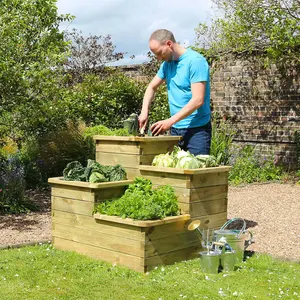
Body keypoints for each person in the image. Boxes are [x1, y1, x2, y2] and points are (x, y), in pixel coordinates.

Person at [138, 29, 211, 155]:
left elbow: (198, 100)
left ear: (169, 44)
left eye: (160, 53)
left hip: (197, 131)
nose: (159, 58)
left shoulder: (195, 61)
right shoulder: (167, 65)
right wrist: (144, 111)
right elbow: (151, 87)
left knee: (197, 173)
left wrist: (169, 121)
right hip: (175, 130)